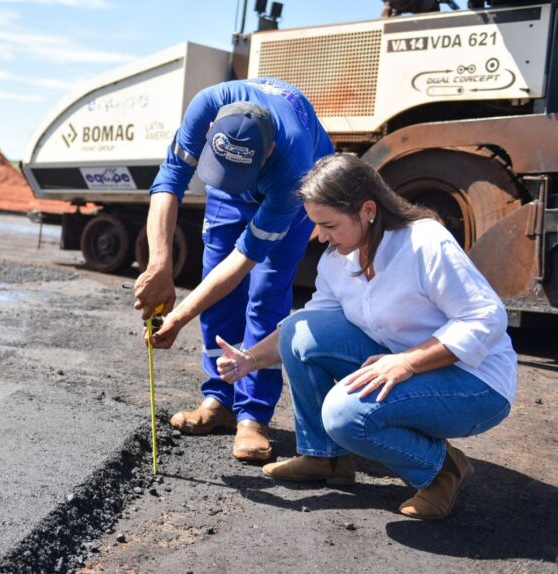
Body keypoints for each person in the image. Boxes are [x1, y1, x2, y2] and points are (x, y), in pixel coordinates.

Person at [215, 154, 517, 519]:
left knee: (346, 414)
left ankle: (441, 470)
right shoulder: (336, 260)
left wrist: (406, 362)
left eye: (329, 225)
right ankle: (324, 458)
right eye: (316, 225)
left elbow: (486, 318)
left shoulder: (424, 242)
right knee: (300, 330)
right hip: (403, 364)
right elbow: (309, 326)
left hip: (476, 383)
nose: (321, 236)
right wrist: (250, 360)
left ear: (368, 210)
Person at [133, 78, 334, 462]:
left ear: (269, 150)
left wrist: (177, 317)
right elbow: (169, 181)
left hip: (290, 188)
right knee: (214, 279)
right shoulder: (207, 105)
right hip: (241, 174)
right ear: (211, 134)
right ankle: (219, 399)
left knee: (265, 292)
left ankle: (252, 417)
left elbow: (246, 259)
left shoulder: (293, 169)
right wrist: (160, 266)